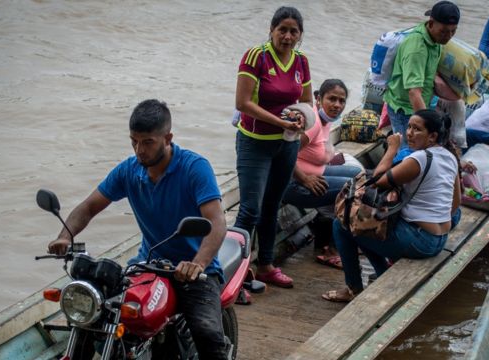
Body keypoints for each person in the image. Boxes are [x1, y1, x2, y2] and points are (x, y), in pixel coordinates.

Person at [47, 99, 229, 359]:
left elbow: (217, 222)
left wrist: (198, 263)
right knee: (97, 316)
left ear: (168, 138)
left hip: (195, 271)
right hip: (149, 265)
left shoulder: (194, 168)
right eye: (134, 141)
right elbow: (89, 206)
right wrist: (65, 236)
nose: (139, 150)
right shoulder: (129, 171)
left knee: (207, 333)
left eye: (147, 142)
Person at [322, 109, 461, 302]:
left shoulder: (418, 159)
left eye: (417, 129)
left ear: (432, 136)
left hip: (420, 241)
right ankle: (382, 272)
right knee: (367, 226)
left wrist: (392, 149)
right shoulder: (449, 157)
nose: (410, 133)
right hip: (439, 237)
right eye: (409, 127)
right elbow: (456, 204)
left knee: (343, 225)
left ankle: (353, 288)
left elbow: (377, 179)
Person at [234, 6, 313, 288]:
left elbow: (307, 102)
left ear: (300, 35)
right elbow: (243, 103)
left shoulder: (301, 61)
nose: (288, 36)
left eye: (294, 31)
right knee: (250, 210)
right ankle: (236, 275)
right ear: (271, 30)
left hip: (286, 146)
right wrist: (280, 122)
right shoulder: (256, 56)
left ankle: (266, 265)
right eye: (282, 30)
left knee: (272, 206)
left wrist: (302, 118)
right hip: (254, 144)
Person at [281, 79, 362, 269]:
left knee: (359, 174)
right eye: (331, 99)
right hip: (293, 184)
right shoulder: (313, 123)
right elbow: (283, 153)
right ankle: (334, 248)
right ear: (318, 99)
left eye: (341, 101)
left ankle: (330, 235)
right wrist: (304, 178)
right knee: (353, 188)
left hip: (316, 173)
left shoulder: (325, 122)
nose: (337, 105)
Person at [383, 0, 460, 146]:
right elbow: (414, 92)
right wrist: (429, 125)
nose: (448, 36)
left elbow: (433, 76)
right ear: (430, 23)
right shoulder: (417, 49)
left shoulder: (435, 40)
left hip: (423, 104)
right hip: (405, 110)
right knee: (409, 154)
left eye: (453, 31)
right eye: (444, 31)